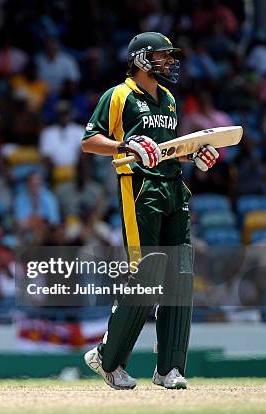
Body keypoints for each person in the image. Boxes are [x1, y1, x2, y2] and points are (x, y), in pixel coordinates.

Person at [81, 32, 219, 390]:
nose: (169, 62)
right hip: (140, 190)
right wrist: (124, 144)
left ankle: (169, 368)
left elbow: (167, 150)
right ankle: (107, 359)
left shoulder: (169, 99)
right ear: (141, 58)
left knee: (180, 277)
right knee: (147, 276)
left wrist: (194, 155)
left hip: (174, 188)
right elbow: (89, 140)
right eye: (162, 56)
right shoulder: (119, 95)